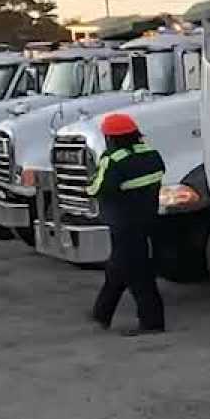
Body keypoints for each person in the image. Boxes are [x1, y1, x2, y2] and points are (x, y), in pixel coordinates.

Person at [86, 113, 167, 335]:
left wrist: (89, 183)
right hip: (147, 220)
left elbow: (96, 189)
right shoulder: (151, 154)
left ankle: (152, 323)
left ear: (110, 138)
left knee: (137, 274)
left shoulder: (113, 160)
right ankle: (100, 314)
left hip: (123, 225)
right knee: (118, 269)